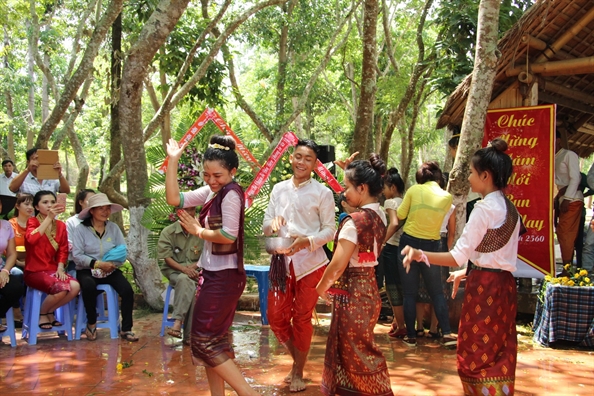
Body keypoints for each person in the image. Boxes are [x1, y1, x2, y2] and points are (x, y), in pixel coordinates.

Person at [401, 138, 519, 395]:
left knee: (476, 351)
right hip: (504, 288)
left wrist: (420, 254)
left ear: (485, 176)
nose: (469, 177)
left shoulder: (484, 209)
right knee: (500, 350)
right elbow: (501, 257)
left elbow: (456, 255)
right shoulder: (511, 209)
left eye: (472, 173)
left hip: (485, 289)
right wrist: (468, 271)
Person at [165, 135, 257, 396]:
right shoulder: (212, 192)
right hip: (213, 275)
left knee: (204, 342)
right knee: (211, 342)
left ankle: (248, 394)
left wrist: (198, 230)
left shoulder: (231, 195)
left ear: (233, 172)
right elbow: (175, 198)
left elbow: (229, 235)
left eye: (218, 175)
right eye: (206, 174)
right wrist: (173, 161)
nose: (211, 180)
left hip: (224, 277)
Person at [316, 154, 393, 396]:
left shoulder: (354, 222)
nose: (344, 192)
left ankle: (378, 391)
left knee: (357, 349)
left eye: (348, 187)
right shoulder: (378, 215)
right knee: (357, 345)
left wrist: (320, 287)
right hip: (369, 288)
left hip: (352, 293)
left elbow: (338, 265)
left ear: (362, 188)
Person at [263, 139, 335, 392]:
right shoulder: (278, 189)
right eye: (298, 156)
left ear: (315, 164)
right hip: (282, 261)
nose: (302, 162)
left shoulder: (323, 193)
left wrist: (307, 241)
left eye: (308, 158)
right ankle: (298, 361)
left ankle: (297, 371)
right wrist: (272, 224)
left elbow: (330, 231)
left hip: (311, 264)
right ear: (291, 158)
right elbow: (265, 224)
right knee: (275, 317)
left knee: (302, 318)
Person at [396, 161, 456, 347]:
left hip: (409, 243)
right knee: (436, 291)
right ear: (438, 178)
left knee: (409, 293)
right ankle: (446, 333)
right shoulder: (447, 197)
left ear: (421, 177)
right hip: (432, 246)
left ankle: (412, 336)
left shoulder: (414, 190)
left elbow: (400, 214)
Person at [72, 193, 138, 342]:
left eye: (107, 208)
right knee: (88, 286)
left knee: (127, 290)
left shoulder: (113, 228)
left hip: (110, 269)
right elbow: (77, 255)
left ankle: (126, 328)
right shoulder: (80, 230)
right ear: (91, 211)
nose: (105, 212)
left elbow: (122, 249)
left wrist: (113, 264)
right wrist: (97, 264)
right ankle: (91, 322)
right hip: (87, 269)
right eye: (100, 208)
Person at [24, 190, 79, 330]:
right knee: (61, 289)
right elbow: (31, 240)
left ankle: (48, 311)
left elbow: (63, 249)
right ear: (37, 207)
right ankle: (42, 313)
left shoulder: (60, 225)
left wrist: (60, 268)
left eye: (53, 202)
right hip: (34, 271)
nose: (50, 205)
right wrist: (49, 218)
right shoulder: (32, 221)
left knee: (75, 287)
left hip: (53, 269)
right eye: (45, 202)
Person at [157, 206, 203, 339]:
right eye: (185, 210)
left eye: (192, 210)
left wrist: (193, 268)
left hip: (196, 271)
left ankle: (178, 323)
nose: (189, 213)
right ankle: (188, 335)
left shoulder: (201, 231)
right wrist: (184, 270)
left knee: (188, 284)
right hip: (174, 270)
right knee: (184, 279)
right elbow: (167, 258)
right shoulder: (168, 232)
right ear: (178, 212)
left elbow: (205, 256)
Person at [380, 167, 407, 338]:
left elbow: (394, 223)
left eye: (384, 187)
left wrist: (382, 241)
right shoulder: (406, 201)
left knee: (392, 287)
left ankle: (401, 324)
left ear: (393, 187)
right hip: (404, 247)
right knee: (402, 286)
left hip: (391, 248)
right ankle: (399, 321)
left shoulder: (390, 203)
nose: (383, 191)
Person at [554, 132, 583, 266]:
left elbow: (576, 178)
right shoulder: (552, 157)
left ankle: (567, 268)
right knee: (562, 233)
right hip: (561, 199)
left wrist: (567, 198)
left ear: (558, 140)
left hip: (572, 200)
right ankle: (568, 266)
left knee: (566, 234)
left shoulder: (568, 155)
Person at [7, 192, 34, 322]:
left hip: (31, 261)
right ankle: (16, 308)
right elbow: (7, 249)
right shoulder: (10, 224)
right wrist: (17, 261)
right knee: (17, 274)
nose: (30, 207)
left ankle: (35, 311)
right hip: (13, 262)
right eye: (26, 204)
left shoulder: (35, 224)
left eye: (32, 204)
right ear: (17, 206)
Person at [0, 200, 24, 332]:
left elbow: (11, 254)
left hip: (1, 268)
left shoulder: (6, 225)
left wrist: (4, 271)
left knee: (15, 288)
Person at [66, 189, 95, 274]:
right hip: (77, 264)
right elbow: (70, 246)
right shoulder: (72, 221)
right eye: (90, 200)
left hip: (100, 263)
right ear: (81, 202)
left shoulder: (102, 221)